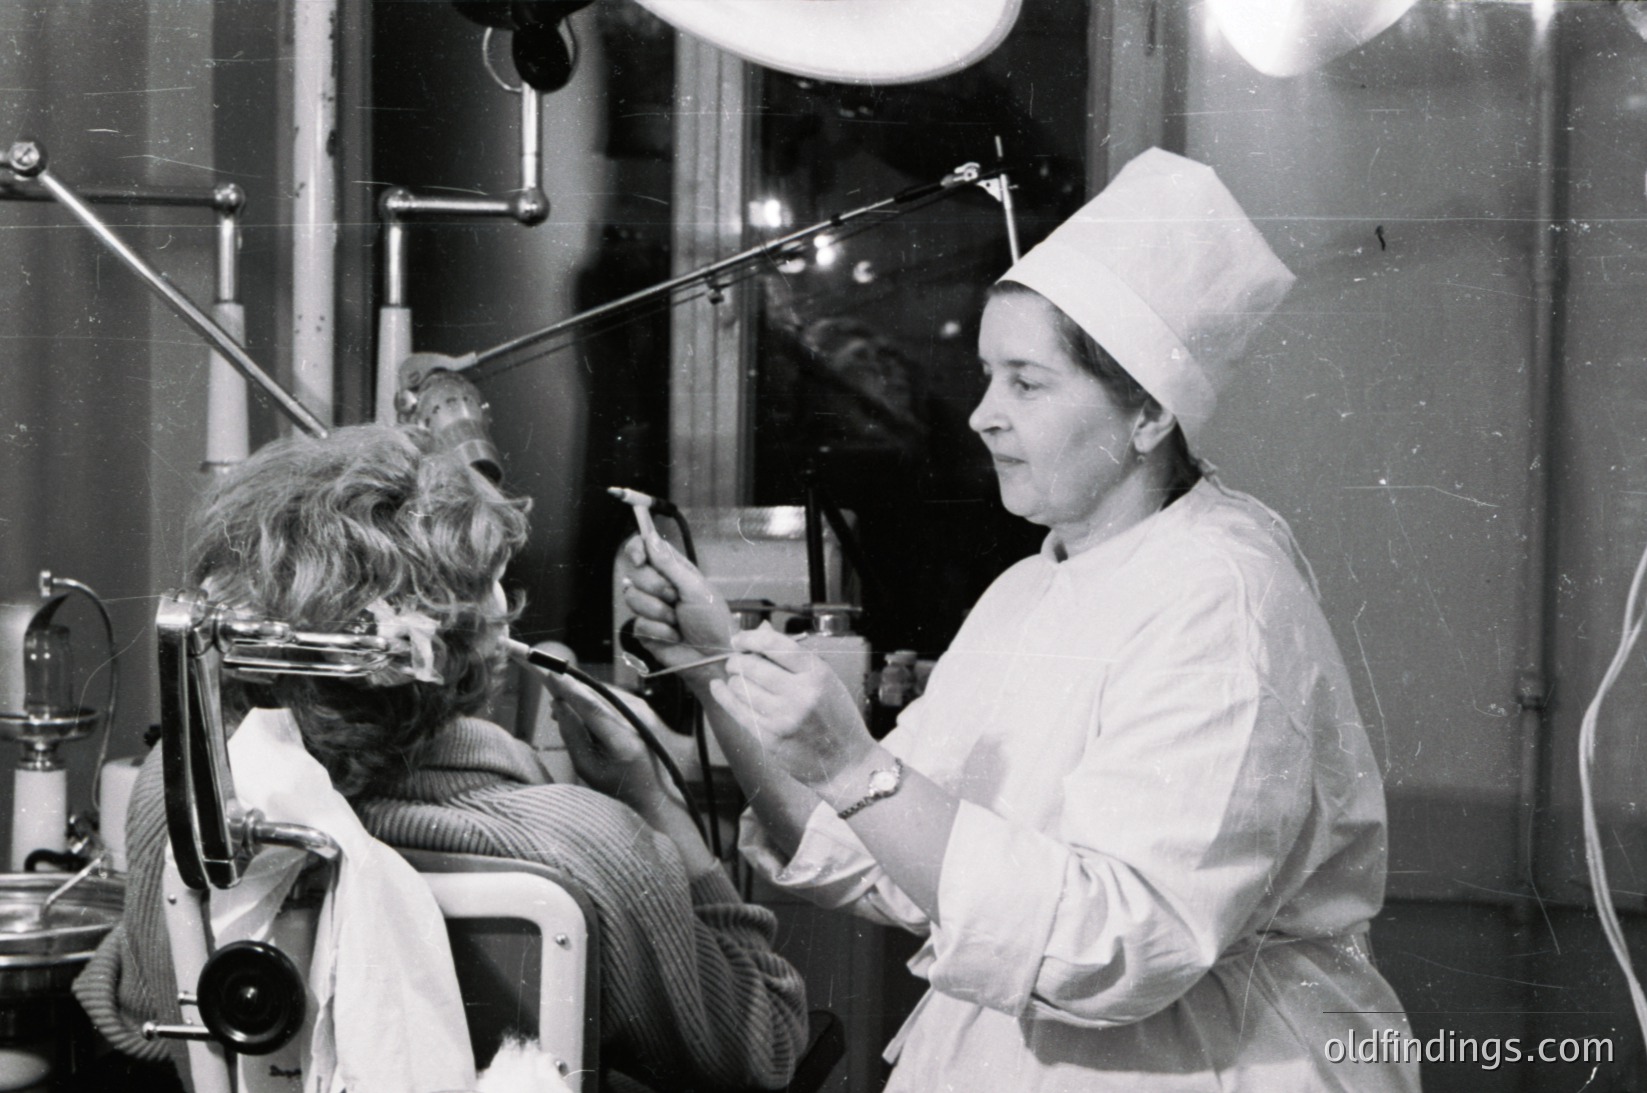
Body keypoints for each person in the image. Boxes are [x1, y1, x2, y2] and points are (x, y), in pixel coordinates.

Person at [616, 149, 1421, 1091]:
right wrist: (713, 662)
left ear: (1147, 415)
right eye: (986, 376)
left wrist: (853, 765)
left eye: (1025, 383)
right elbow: (867, 849)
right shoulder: (1029, 588)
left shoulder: (1221, 599)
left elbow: (1119, 945)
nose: (980, 416)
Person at [72, 424, 808, 1093]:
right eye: (497, 583)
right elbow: (766, 1046)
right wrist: (651, 799)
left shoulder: (181, 801)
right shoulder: (593, 849)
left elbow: (140, 1015)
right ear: (472, 642)